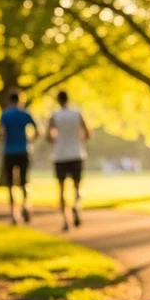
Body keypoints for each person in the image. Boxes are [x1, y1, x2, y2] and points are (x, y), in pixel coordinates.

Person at [46, 91, 90, 231]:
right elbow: (87, 134)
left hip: (60, 155)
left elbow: (49, 136)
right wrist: (77, 139)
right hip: (76, 153)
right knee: (77, 186)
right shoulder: (77, 114)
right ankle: (77, 205)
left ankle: (66, 220)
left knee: (61, 189)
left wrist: (57, 141)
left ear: (58, 101)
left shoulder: (54, 116)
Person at [0, 92, 38, 224]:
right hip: (23, 151)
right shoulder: (25, 113)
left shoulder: (5, 114)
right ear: (20, 100)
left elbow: (1, 132)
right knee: (24, 182)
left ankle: (14, 214)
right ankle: (26, 205)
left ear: (9, 100)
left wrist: (2, 138)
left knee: (10, 184)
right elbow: (38, 131)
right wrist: (30, 140)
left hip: (9, 152)